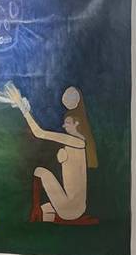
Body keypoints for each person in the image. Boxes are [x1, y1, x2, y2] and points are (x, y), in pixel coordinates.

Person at [5, 83, 98, 224]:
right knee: (46, 210)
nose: (63, 126)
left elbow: (39, 133)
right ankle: (61, 218)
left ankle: (37, 210)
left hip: (71, 207)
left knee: (39, 171)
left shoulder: (76, 142)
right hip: (78, 208)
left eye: (67, 123)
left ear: (77, 124)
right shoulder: (79, 143)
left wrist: (22, 107)